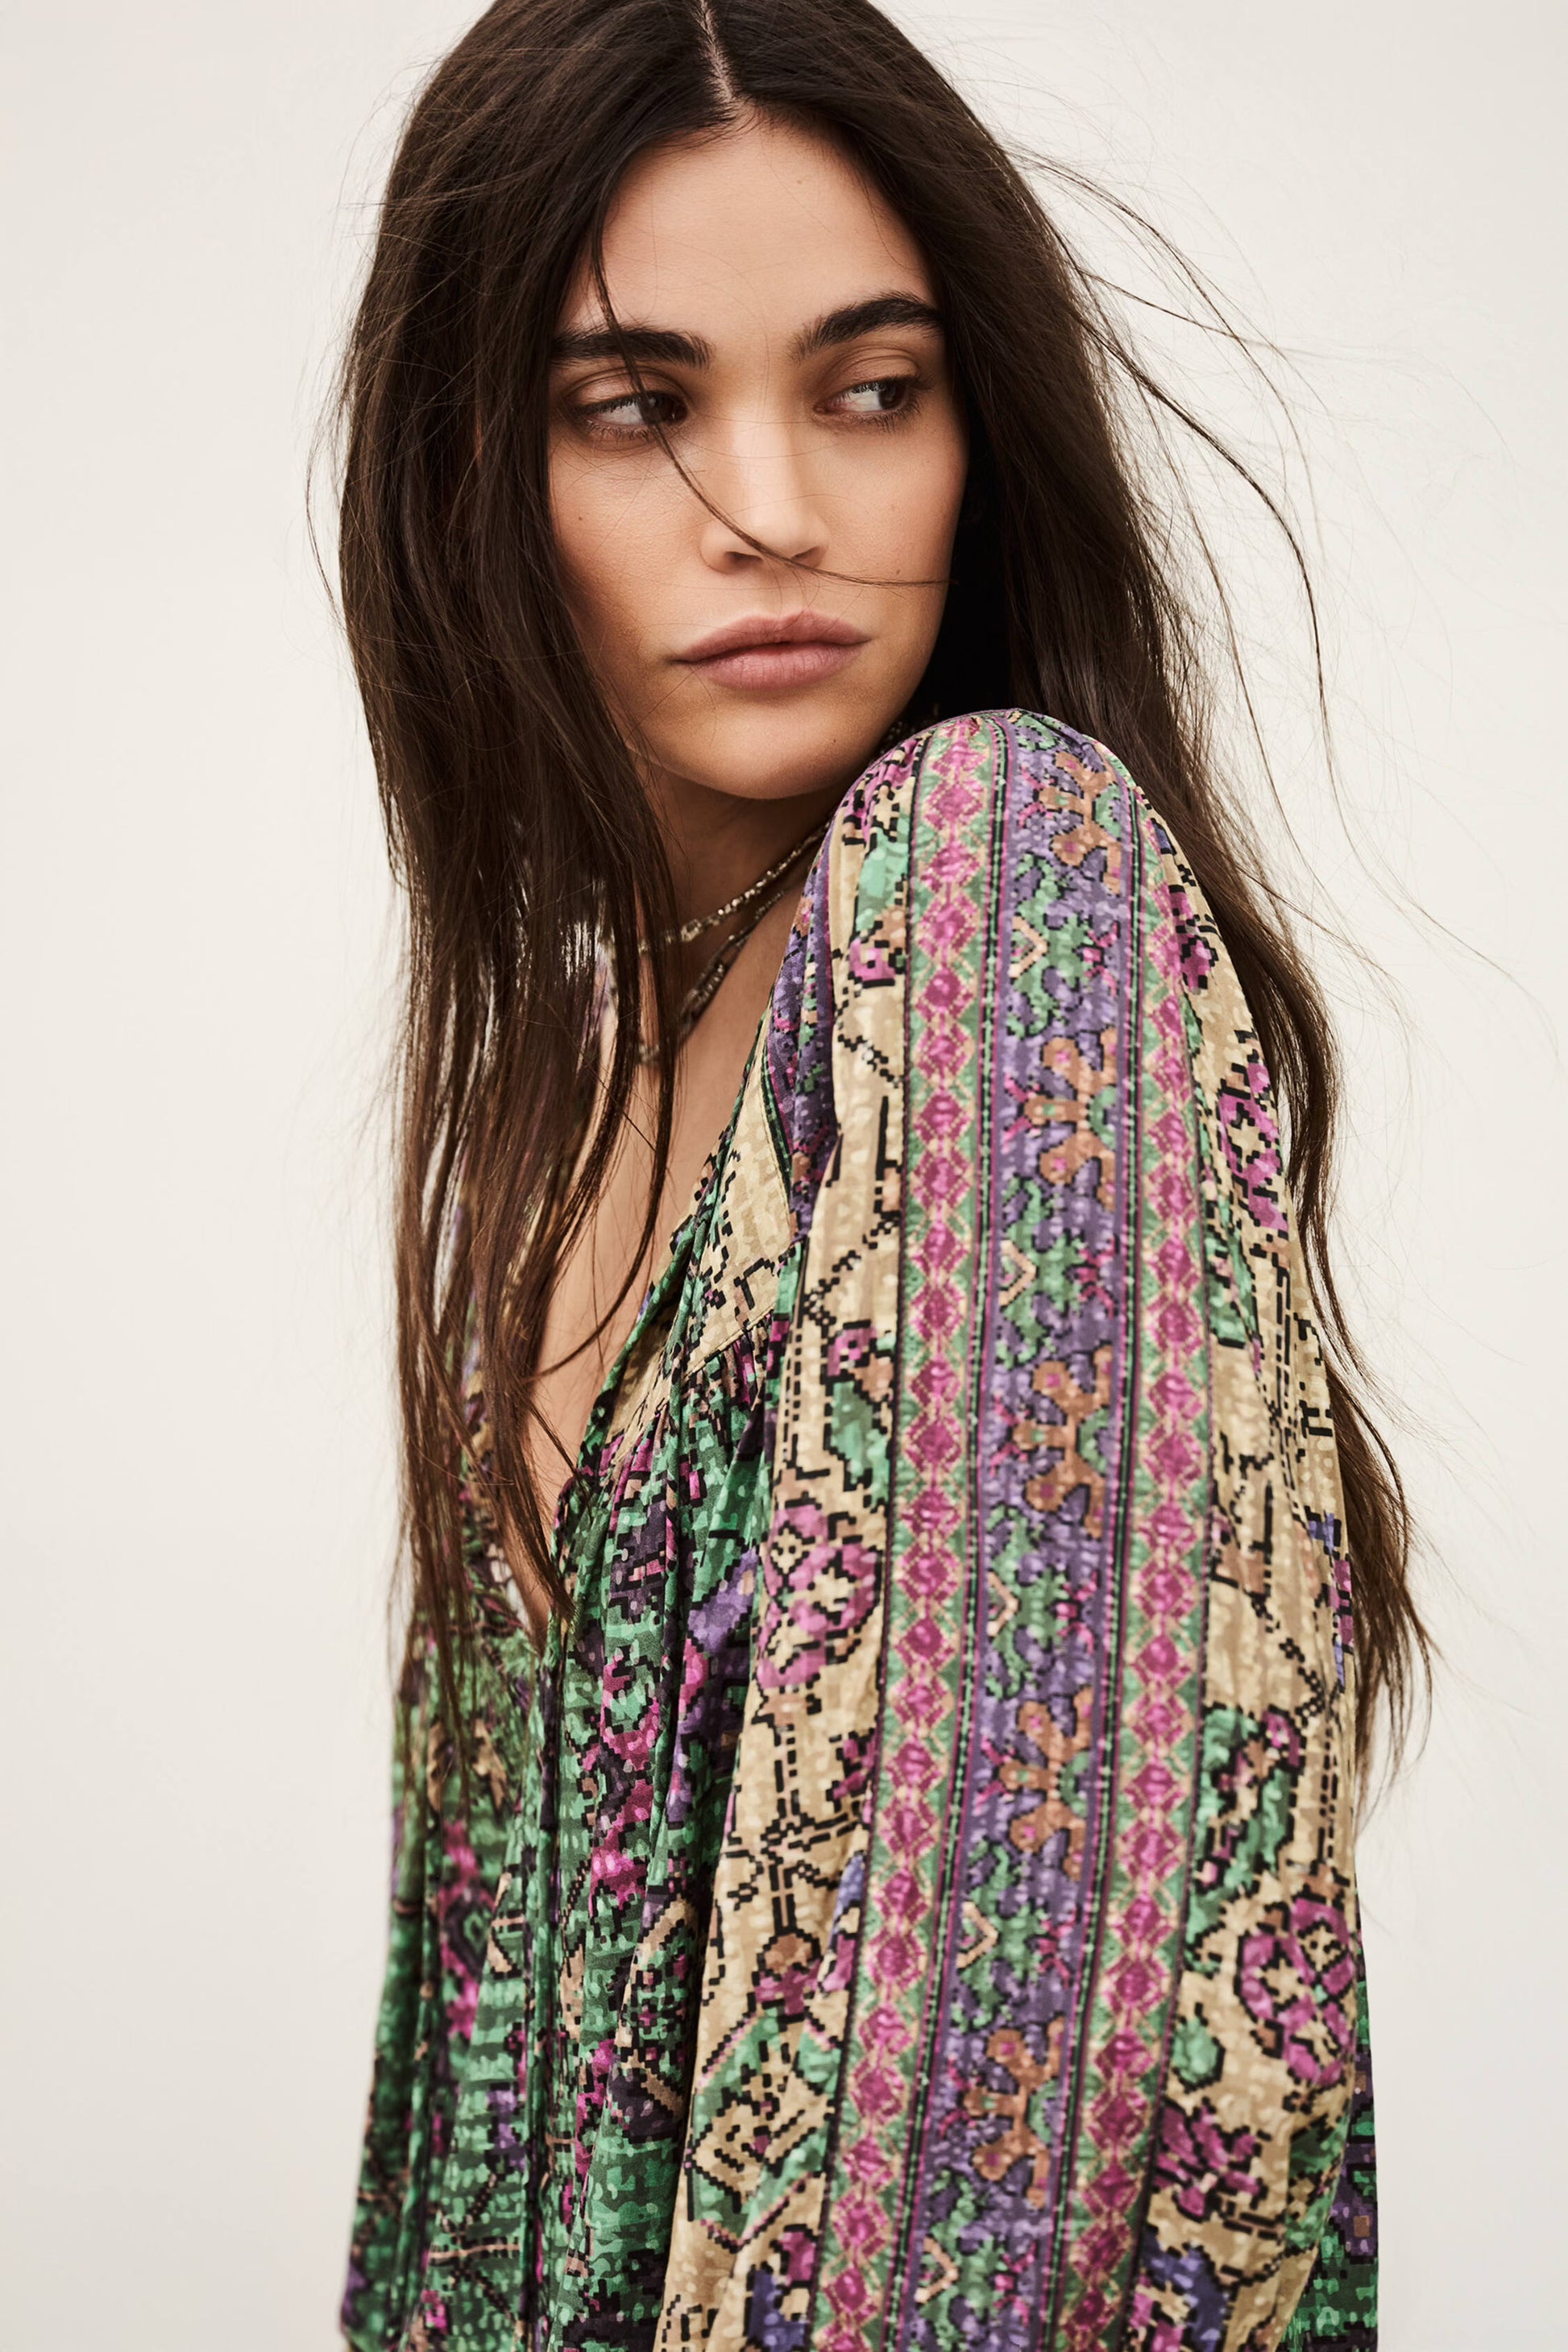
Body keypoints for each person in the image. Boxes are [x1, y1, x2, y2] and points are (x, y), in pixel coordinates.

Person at [332, 2, 1422, 2345]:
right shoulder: (578, 1105)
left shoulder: (998, 887)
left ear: (973, 438)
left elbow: (990, 2137)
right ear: (470, 482)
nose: (773, 508)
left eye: (872, 387)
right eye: (636, 405)